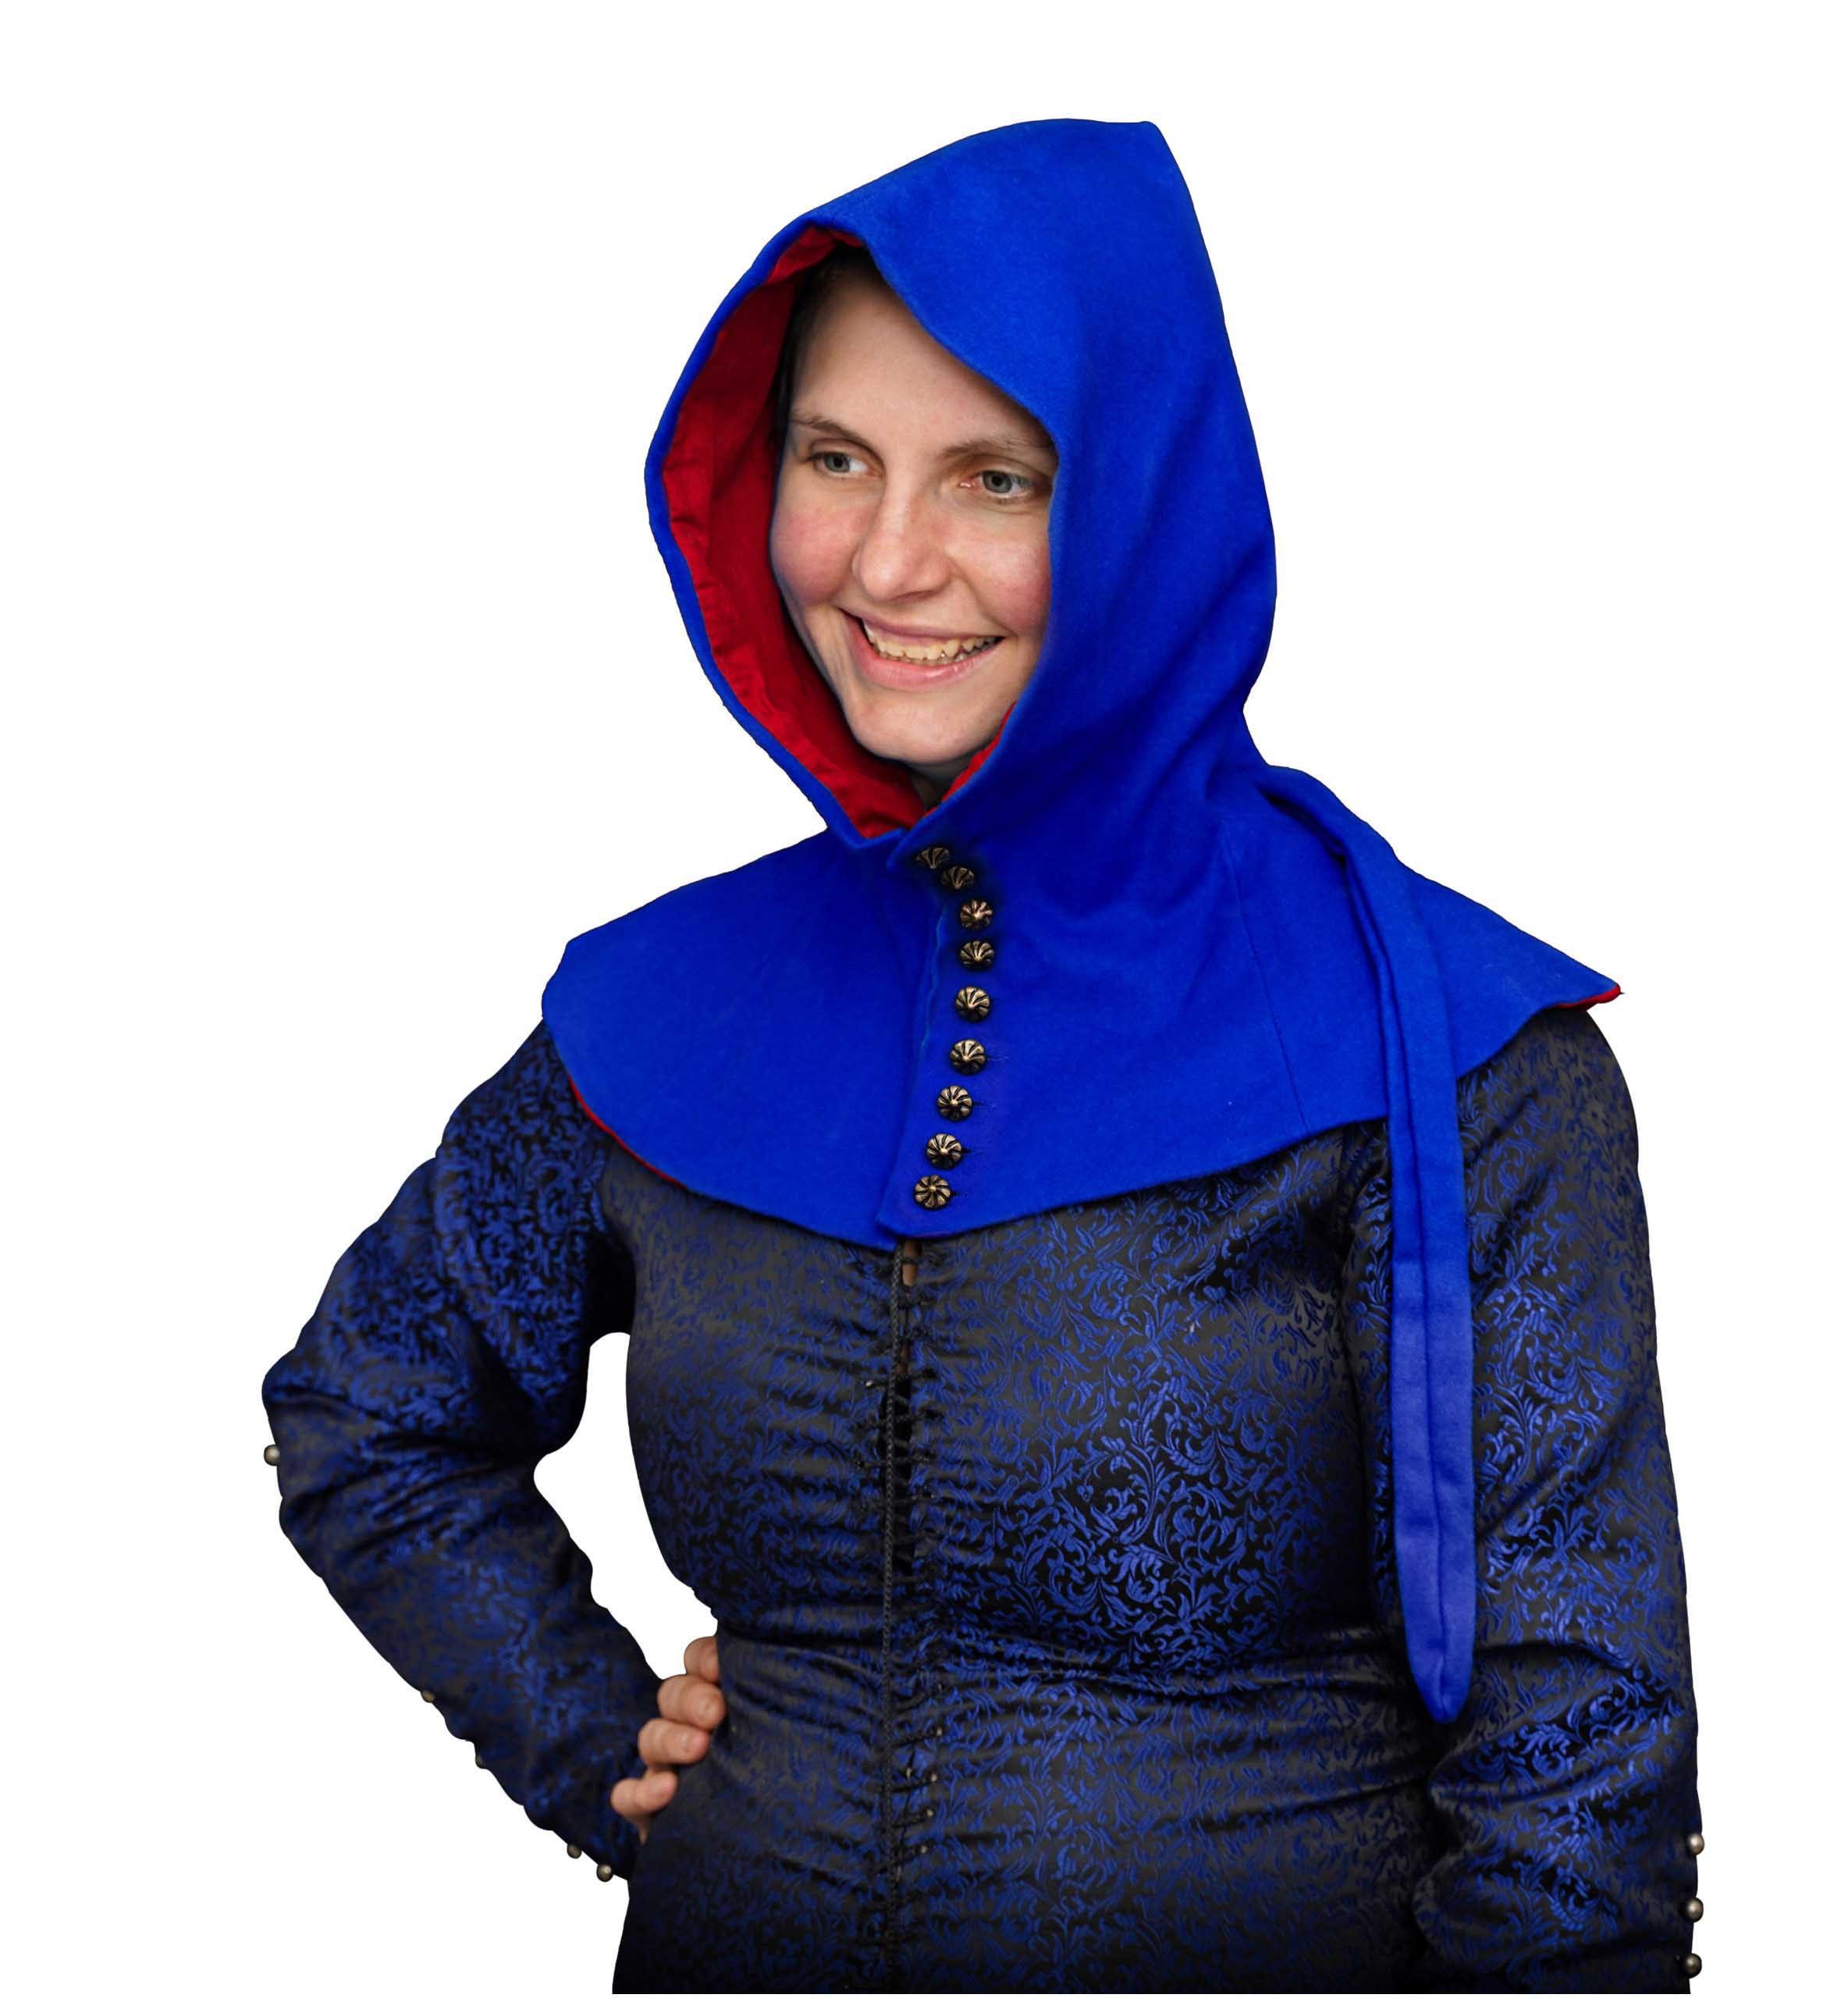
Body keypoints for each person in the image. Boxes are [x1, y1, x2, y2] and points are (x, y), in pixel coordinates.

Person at [261, 118, 1705, 1993]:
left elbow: (1578, 1765)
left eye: (995, 479)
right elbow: (371, 1408)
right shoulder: (662, 1002)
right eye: (833, 458)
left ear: (1141, 507)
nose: (887, 558)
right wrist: (593, 1737)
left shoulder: (1448, 1048)